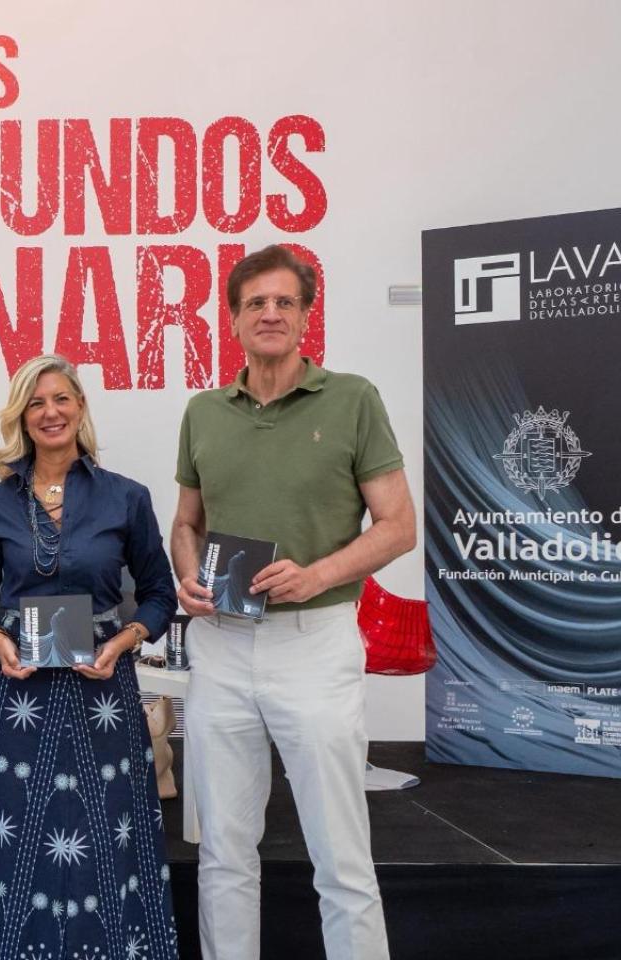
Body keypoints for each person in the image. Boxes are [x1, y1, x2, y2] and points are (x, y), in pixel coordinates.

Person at [171, 244, 415, 960]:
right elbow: (186, 524)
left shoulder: (353, 399)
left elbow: (398, 526)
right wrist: (189, 576)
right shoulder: (203, 412)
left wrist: (316, 575)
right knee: (223, 851)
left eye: (285, 302)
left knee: (341, 856)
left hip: (314, 641)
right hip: (221, 645)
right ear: (233, 320)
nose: (270, 314)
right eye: (256, 303)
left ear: (307, 316)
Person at [0, 354, 180, 960]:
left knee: (107, 839)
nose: (50, 412)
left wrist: (124, 641)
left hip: (103, 690)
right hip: (18, 692)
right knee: (12, 838)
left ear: (80, 407)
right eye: (36, 402)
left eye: (61, 399)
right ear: (21, 416)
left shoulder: (126, 497)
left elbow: (160, 594)